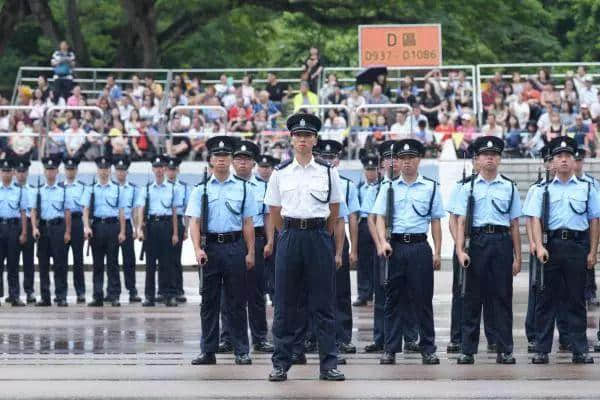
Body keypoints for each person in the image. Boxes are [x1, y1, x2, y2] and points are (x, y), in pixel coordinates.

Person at [264, 113, 344, 382]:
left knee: (323, 303)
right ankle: (281, 363)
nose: (302, 140)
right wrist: (287, 234)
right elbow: (274, 211)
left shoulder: (328, 171)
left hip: (318, 236)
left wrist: (322, 235)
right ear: (291, 139)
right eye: (298, 136)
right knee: (285, 303)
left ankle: (328, 364)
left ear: (315, 140)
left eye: (307, 136)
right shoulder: (280, 172)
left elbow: (334, 210)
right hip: (289, 236)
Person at [526, 136, 599, 364]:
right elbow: (535, 219)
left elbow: (595, 220)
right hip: (551, 247)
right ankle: (542, 349)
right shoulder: (542, 189)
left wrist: (593, 251)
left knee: (576, 299)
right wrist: (538, 246)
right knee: (546, 300)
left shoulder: (587, 188)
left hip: (578, 246)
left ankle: (579, 349)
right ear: (552, 162)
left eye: (568, 156)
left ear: (575, 160)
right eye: (559, 156)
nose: (565, 160)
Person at [187, 136, 257, 366]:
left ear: (231, 160)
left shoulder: (244, 188)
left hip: (235, 247)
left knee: (236, 302)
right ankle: (208, 350)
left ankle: (241, 350)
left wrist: (250, 252)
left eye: (226, 156)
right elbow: (194, 223)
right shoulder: (201, 189)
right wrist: (197, 249)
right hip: (210, 249)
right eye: (217, 156)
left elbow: (248, 223)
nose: (221, 160)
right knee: (209, 302)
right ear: (210, 160)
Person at [373, 139, 444, 365]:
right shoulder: (389, 187)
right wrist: (383, 242)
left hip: (420, 247)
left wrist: (437, 252)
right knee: (393, 300)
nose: (406, 163)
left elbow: (435, 222)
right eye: (402, 159)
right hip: (395, 247)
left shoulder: (431, 187)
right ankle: (390, 349)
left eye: (410, 158)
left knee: (423, 299)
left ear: (419, 160)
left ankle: (428, 348)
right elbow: (380, 218)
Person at [455, 136, 522, 365]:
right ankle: (467, 350)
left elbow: (514, 224)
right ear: (478, 159)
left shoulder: (509, 187)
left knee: (502, 297)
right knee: (472, 298)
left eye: (494, 155)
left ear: (500, 159)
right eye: (485, 154)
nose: (490, 158)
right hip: (478, 242)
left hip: (502, 243)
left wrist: (518, 257)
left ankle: (505, 349)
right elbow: (461, 221)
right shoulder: (468, 187)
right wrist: (460, 250)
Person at [219, 140, 275, 353]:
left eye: (246, 160)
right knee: (229, 292)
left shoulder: (263, 186)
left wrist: (270, 241)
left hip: (259, 240)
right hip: (233, 240)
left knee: (256, 291)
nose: (242, 163)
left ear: (253, 163)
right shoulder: (225, 184)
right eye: (238, 159)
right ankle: (228, 337)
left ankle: (260, 337)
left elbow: (268, 216)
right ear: (233, 162)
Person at [315, 140, 359, 355]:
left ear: (338, 160)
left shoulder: (346, 184)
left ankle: (343, 337)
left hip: (337, 238)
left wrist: (348, 250)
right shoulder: (312, 180)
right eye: (324, 157)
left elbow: (349, 218)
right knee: (314, 291)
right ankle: (313, 336)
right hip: (315, 236)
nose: (328, 161)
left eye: (332, 157)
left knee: (341, 293)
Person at [138, 155, 181, 307]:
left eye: (161, 167)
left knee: (167, 263)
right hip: (151, 226)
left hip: (166, 225)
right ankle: (149, 296)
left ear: (165, 169)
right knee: (150, 264)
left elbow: (175, 212)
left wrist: (175, 233)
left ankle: (168, 295)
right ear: (153, 169)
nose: (159, 170)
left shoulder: (172, 188)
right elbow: (141, 210)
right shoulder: (147, 189)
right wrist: (140, 229)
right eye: (156, 167)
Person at [83, 156, 126, 307]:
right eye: (101, 169)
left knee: (113, 263)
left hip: (112, 227)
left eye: (106, 169)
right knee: (98, 264)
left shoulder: (117, 188)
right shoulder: (91, 189)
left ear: (110, 171)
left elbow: (121, 212)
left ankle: (114, 295)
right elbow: (86, 210)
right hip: (97, 227)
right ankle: (98, 295)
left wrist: (122, 231)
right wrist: (86, 227)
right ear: (97, 171)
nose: (103, 172)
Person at [31, 155, 72, 307]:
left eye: (53, 170)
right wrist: (34, 227)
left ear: (57, 172)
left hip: (58, 228)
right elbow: (34, 211)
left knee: (60, 264)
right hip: (43, 229)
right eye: (47, 170)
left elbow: (67, 212)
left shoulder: (63, 190)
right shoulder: (39, 191)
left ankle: (61, 296)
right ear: (44, 172)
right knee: (43, 265)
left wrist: (67, 232)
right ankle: (45, 297)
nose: (50, 172)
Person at [113, 156, 143, 303]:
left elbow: (135, 211)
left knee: (129, 260)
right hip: (113, 225)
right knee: (112, 260)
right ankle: (113, 292)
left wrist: (137, 228)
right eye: (118, 170)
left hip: (127, 224)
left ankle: (132, 290)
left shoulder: (132, 189)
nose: (120, 173)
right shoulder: (111, 187)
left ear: (126, 172)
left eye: (123, 170)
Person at [574, 148, 600, 307]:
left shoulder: (592, 182)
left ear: (582, 162)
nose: (576, 164)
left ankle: (590, 291)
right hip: (574, 226)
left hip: (588, 226)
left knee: (589, 260)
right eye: (574, 160)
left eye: (579, 160)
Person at [0, 158, 27, 306]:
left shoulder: (19, 190)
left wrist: (23, 232)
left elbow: (23, 212)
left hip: (13, 228)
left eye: (8, 171)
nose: (5, 174)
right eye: (3, 171)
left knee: (13, 264)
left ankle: (14, 295)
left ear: (13, 173)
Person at [354, 154, 380, 306]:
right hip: (363, 224)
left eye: (373, 170)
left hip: (378, 223)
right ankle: (364, 293)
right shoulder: (358, 189)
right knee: (363, 261)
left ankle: (378, 291)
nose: (370, 173)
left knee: (379, 259)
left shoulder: (381, 187)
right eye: (368, 170)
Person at [165, 157, 190, 303]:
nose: (171, 172)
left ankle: (178, 290)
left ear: (178, 170)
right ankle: (165, 289)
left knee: (175, 259)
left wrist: (186, 229)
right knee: (164, 259)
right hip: (165, 222)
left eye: (173, 169)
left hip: (178, 222)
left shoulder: (184, 187)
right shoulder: (162, 185)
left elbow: (187, 210)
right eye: (169, 169)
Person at [63, 156, 87, 303]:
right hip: (63, 224)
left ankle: (80, 292)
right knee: (62, 261)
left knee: (78, 260)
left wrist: (85, 227)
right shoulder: (60, 186)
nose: (70, 172)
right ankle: (62, 293)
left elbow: (85, 208)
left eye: (72, 169)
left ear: (76, 170)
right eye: (68, 169)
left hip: (77, 222)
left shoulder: (82, 186)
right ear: (64, 170)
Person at [14, 157, 36, 304]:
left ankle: (29, 292)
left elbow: (35, 211)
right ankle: (13, 292)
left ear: (27, 173)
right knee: (12, 262)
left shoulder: (33, 190)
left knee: (28, 261)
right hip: (13, 225)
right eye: (19, 172)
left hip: (28, 224)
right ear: (15, 173)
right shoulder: (9, 189)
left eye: (24, 171)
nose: (21, 174)